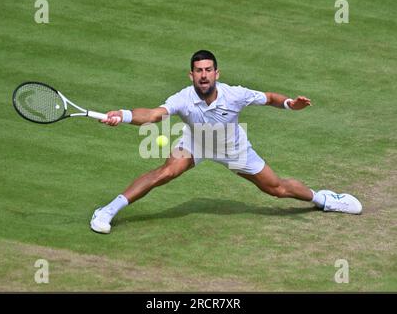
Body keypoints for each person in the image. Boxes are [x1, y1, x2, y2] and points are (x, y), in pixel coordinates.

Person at [90, 50, 362, 234]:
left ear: (217, 73)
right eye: (198, 71)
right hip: (196, 142)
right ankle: (106, 211)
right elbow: (152, 115)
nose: (204, 75)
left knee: (277, 189)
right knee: (165, 172)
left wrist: (291, 104)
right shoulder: (183, 97)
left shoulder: (236, 94)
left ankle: (324, 199)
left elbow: (268, 97)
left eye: (209, 70)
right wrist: (123, 116)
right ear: (191, 75)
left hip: (233, 148)